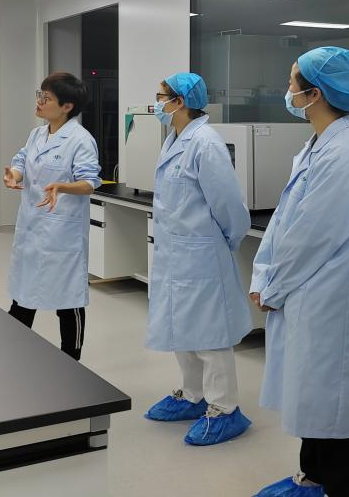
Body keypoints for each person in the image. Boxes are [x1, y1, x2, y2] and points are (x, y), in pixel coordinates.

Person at [251, 46, 349, 497]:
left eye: (292, 82)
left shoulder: (345, 154)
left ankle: (342, 488)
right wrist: (263, 276)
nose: (287, 90)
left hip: (328, 296)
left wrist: (274, 286)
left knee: (336, 401)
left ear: (315, 94)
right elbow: (285, 222)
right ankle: (313, 477)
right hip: (306, 290)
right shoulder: (317, 146)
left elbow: (312, 236)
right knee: (314, 394)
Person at [143, 73, 253, 446]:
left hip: (201, 254)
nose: (157, 103)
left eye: (161, 97)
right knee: (183, 328)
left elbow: (229, 205)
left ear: (179, 101)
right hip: (177, 253)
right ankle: (193, 396)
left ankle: (224, 409)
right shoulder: (175, 139)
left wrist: (225, 241)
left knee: (209, 335)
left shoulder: (206, 143)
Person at [3, 72, 101, 361]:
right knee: (23, 296)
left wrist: (62, 186)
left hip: (62, 236)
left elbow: (89, 182)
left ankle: (72, 362)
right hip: (32, 228)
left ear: (67, 106)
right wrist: (14, 174)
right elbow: (22, 159)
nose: (39, 102)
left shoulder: (81, 140)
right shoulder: (38, 133)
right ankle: (11, 356)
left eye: (46, 98)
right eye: (40, 95)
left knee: (68, 302)